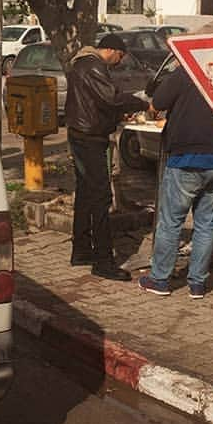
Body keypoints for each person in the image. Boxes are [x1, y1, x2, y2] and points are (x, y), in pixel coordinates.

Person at [138, 64, 213, 299]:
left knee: (171, 221)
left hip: (186, 158)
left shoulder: (186, 71)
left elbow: (157, 102)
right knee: (206, 222)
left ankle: (160, 279)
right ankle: (198, 284)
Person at [64, 33, 146, 281]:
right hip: (89, 138)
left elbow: (97, 103)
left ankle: (81, 249)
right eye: (119, 56)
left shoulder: (83, 63)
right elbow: (110, 97)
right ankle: (103, 261)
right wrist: (140, 103)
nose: (119, 62)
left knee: (86, 194)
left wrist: (116, 117)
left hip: (82, 133)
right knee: (101, 197)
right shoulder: (92, 65)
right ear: (111, 50)